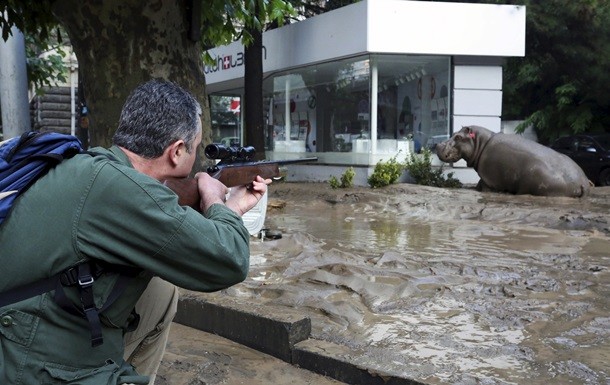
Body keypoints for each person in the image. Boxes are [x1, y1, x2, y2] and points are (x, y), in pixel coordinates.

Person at [0, 79, 270, 385]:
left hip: (33, 320)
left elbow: (170, 229)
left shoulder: (97, 167)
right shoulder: (118, 190)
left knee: (160, 293)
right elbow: (229, 260)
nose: (196, 159)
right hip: (24, 355)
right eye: (195, 149)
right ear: (178, 151)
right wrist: (220, 203)